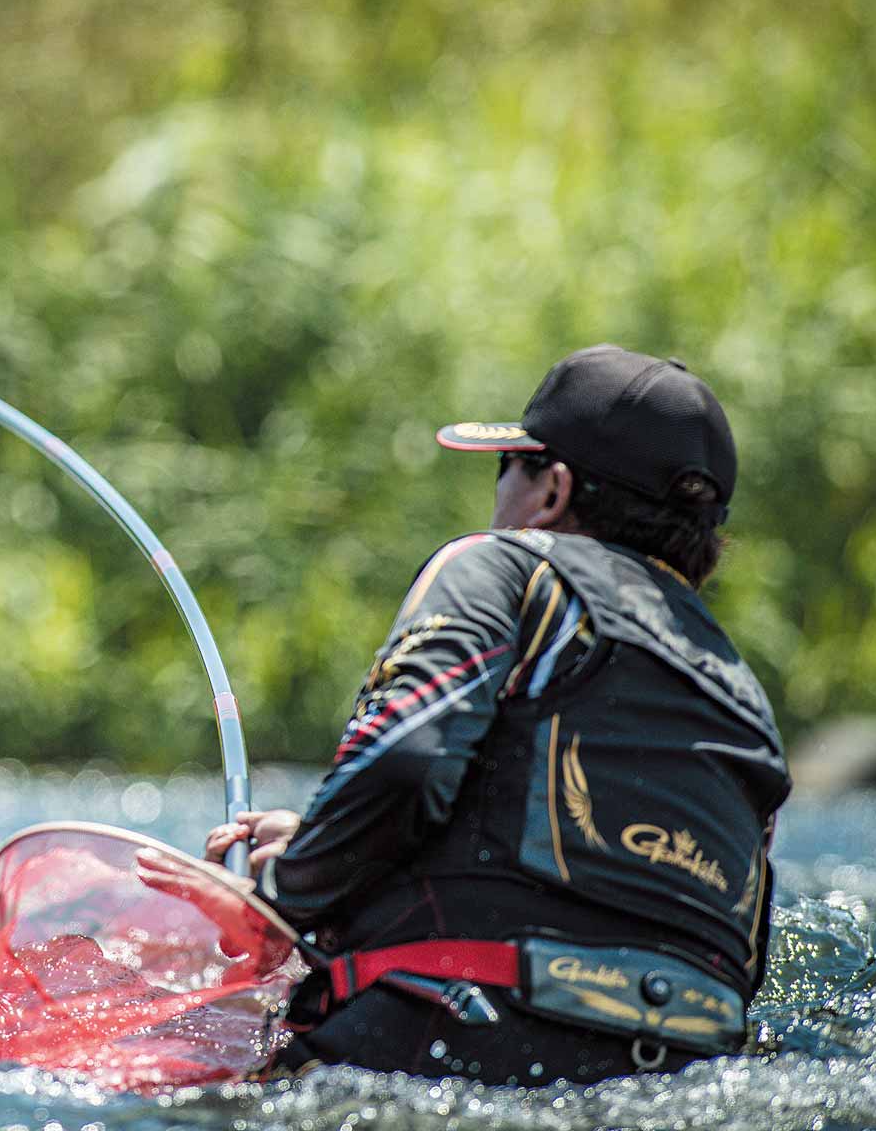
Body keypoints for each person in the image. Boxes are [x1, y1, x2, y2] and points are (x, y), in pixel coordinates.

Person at [206, 344, 790, 1084]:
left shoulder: (501, 565)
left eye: (505, 467)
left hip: (449, 1044)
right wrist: (328, 847)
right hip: (677, 1077)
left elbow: (407, 761)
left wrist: (281, 894)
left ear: (552, 491)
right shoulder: (742, 694)